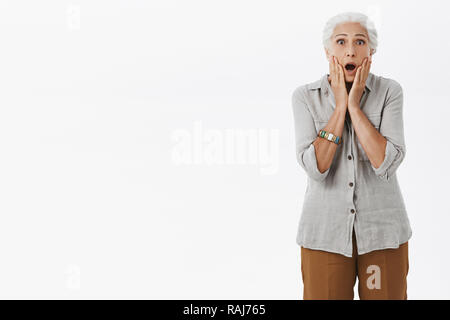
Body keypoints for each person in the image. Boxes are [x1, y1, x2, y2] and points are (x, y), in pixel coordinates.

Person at [291, 11, 412, 300]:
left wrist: (355, 109)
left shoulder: (389, 92)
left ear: (371, 51)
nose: (350, 50)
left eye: (360, 42)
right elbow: (316, 168)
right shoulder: (305, 97)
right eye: (341, 41)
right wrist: (339, 108)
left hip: (383, 234)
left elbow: (387, 163)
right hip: (324, 235)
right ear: (328, 51)